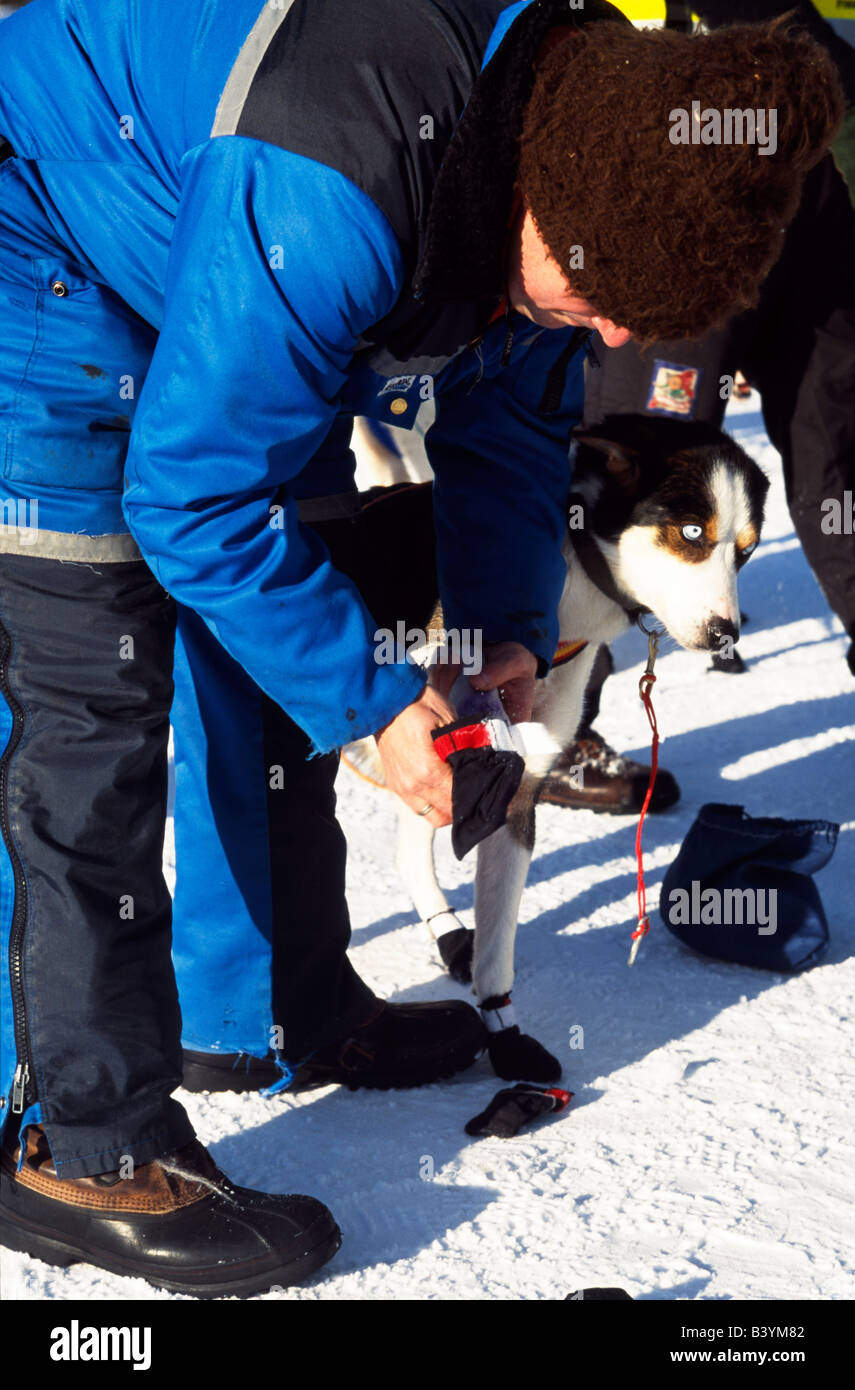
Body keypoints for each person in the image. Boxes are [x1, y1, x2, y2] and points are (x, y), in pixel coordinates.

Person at [0, 0, 842, 1295]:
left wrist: (504, 635)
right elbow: (193, 497)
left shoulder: (547, 157)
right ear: (540, 205)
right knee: (93, 686)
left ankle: (277, 1006)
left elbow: (507, 431)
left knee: (291, 589)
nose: (620, 339)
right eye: (607, 299)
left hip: (230, 242)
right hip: (39, 222)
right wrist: (375, 703)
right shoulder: (341, 183)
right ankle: (82, 1143)